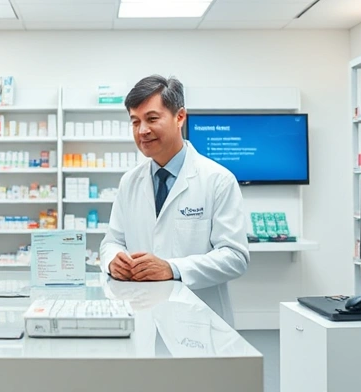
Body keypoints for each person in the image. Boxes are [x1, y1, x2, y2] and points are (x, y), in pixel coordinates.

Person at [100, 75, 249, 322]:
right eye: (135, 122)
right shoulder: (130, 182)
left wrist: (173, 269)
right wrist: (112, 261)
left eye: (152, 119)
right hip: (144, 315)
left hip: (198, 319)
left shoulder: (218, 180)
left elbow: (235, 257)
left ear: (180, 117)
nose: (142, 130)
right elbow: (112, 241)